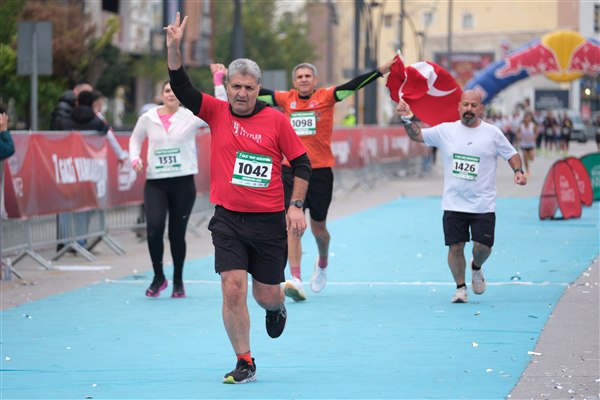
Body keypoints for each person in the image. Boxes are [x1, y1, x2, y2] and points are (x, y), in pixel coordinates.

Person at [165, 12, 311, 384]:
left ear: (258, 88)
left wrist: (296, 206)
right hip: (228, 219)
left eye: (248, 87)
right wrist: (174, 48)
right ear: (226, 87)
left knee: (265, 295)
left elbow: (302, 163)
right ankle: (244, 360)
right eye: (235, 87)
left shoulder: (276, 120)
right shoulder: (215, 112)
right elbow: (181, 86)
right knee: (232, 287)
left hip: (268, 222)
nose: (241, 93)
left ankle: (276, 308)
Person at [256, 57, 394, 301]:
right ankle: (296, 279)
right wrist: (226, 79)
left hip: (319, 172)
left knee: (318, 229)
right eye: (299, 77)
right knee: (292, 224)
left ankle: (322, 261)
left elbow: (354, 85)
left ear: (315, 80)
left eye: (307, 76)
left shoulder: (327, 96)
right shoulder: (286, 99)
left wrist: (380, 71)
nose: (304, 80)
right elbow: (256, 91)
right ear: (294, 82)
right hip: (291, 170)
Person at [396, 89, 527, 303]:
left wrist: (518, 171)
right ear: (459, 107)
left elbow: (511, 153)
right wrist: (406, 117)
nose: (469, 109)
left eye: (474, 106)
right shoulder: (446, 131)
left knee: (483, 248)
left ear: (481, 109)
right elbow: (417, 135)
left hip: (483, 204)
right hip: (454, 203)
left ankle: (476, 266)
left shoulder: (492, 133)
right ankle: (460, 288)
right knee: (455, 247)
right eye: (465, 105)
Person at [129, 80, 202, 299]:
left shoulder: (191, 116)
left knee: (177, 234)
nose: (171, 94)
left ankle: (178, 281)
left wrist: (219, 83)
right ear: (161, 94)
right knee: (154, 229)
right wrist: (134, 158)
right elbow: (135, 139)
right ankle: (158, 277)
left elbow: (220, 109)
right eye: (167, 90)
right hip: (156, 183)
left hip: (183, 182)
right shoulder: (148, 117)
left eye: (175, 90)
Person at [516, 112, 538, 176]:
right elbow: (517, 132)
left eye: (528, 118)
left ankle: (529, 155)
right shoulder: (521, 126)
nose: (527, 119)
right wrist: (518, 136)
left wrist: (535, 137)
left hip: (531, 144)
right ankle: (527, 170)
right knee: (525, 157)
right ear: (524, 119)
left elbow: (537, 132)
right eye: (526, 118)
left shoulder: (532, 125)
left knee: (532, 158)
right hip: (524, 144)